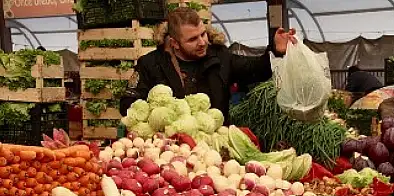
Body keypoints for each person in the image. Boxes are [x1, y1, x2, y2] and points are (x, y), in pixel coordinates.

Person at [120, 8, 296, 124]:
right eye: (192, 39)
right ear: (174, 43)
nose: (203, 42)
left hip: (214, 146)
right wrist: (163, 115)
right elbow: (128, 103)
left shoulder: (220, 56)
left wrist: (275, 50)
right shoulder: (150, 64)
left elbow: (255, 68)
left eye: (203, 34)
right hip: (169, 148)